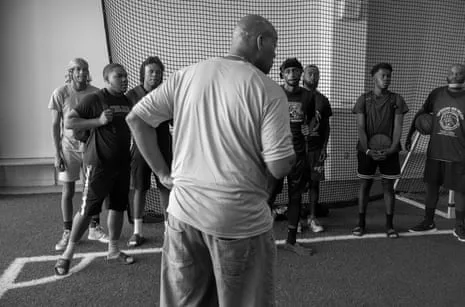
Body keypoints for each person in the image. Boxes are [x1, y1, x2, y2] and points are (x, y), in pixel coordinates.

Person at [126, 14, 295, 307]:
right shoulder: (267, 89)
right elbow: (279, 166)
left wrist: (164, 174)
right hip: (238, 221)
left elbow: (136, 119)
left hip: (183, 215)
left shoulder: (187, 75)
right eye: (274, 45)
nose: (275, 54)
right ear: (259, 41)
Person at [54, 63, 135, 276]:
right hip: (98, 164)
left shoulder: (126, 101)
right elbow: (70, 121)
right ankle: (67, 255)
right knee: (88, 208)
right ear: (107, 79)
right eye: (119, 76)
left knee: (117, 207)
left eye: (126, 76)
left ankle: (114, 251)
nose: (124, 79)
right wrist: (98, 121)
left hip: (122, 164)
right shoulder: (96, 99)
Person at [48, 58, 109, 252]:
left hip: (89, 146)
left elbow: (101, 121)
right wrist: (57, 154)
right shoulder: (60, 93)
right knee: (68, 191)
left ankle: (94, 226)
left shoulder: (96, 93)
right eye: (77, 69)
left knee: (92, 189)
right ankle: (67, 231)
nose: (82, 73)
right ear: (71, 72)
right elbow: (55, 125)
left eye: (85, 69)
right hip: (67, 148)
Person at [406, 64, 465, 242]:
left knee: (462, 191)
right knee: (431, 187)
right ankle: (428, 221)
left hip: (459, 154)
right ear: (447, 76)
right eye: (452, 73)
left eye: (459, 73)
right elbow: (421, 114)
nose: (455, 75)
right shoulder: (437, 93)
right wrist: (409, 135)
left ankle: (460, 227)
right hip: (435, 152)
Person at [352, 63, 408, 238]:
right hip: (366, 150)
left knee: (388, 186)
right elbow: (361, 127)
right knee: (365, 184)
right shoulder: (364, 99)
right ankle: (360, 224)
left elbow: (398, 127)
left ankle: (389, 226)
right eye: (383, 75)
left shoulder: (397, 99)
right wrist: (368, 150)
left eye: (389, 76)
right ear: (373, 77)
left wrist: (392, 149)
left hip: (389, 151)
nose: (386, 79)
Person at [270, 57, 316, 255]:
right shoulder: (274, 92)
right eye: (288, 71)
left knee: (295, 197)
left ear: (300, 74)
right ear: (282, 74)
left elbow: (313, 118)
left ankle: (291, 241)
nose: (292, 75)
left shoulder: (307, 96)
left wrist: (310, 127)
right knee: (268, 196)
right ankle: (260, 242)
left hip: (297, 154)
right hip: (276, 152)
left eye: (296, 71)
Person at [126, 56, 172, 247]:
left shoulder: (166, 94)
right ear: (143, 74)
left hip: (163, 147)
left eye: (158, 72)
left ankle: (170, 230)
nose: (155, 75)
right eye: (151, 71)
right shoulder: (131, 95)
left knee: (166, 186)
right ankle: (137, 232)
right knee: (139, 188)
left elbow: (175, 120)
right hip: (140, 149)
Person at [300, 64, 332, 231]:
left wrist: (324, 148)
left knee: (314, 184)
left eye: (316, 74)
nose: (313, 77)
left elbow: (326, 127)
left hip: (316, 149)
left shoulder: (323, 100)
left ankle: (312, 217)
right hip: (297, 149)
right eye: (310, 73)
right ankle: (296, 218)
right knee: (296, 185)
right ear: (303, 76)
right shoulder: (295, 97)